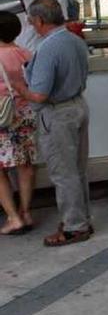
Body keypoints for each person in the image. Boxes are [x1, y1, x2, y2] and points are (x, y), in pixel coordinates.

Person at [13, 0, 90, 245]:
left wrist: (19, 87)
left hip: (57, 114)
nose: (32, 25)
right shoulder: (75, 40)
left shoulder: (49, 48)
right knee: (78, 170)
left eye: (32, 21)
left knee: (63, 173)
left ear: (40, 20)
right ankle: (81, 219)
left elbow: (39, 95)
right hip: (78, 105)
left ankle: (73, 227)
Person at [0, 12, 36, 235]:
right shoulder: (26, 54)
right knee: (25, 165)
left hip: (1, 115)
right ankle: (26, 211)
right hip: (24, 113)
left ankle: (13, 217)